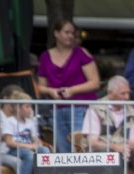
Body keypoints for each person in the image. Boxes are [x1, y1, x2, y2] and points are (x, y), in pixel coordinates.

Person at [37, 19, 100, 154]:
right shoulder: (45, 56)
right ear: (56, 33)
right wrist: (50, 91)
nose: (71, 36)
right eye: (67, 32)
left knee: (79, 147)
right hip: (57, 108)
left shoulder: (81, 53)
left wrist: (72, 90)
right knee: (62, 150)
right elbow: (40, 87)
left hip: (80, 107)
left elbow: (95, 82)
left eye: (73, 33)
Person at [0, 91, 51, 174]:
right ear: (17, 108)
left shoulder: (30, 122)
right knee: (29, 154)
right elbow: (9, 142)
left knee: (45, 150)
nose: (30, 110)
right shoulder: (9, 121)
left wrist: (38, 144)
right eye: (27, 107)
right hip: (13, 150)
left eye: (30, 107)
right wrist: (29, 146)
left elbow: (35, 138)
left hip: (27, 148)